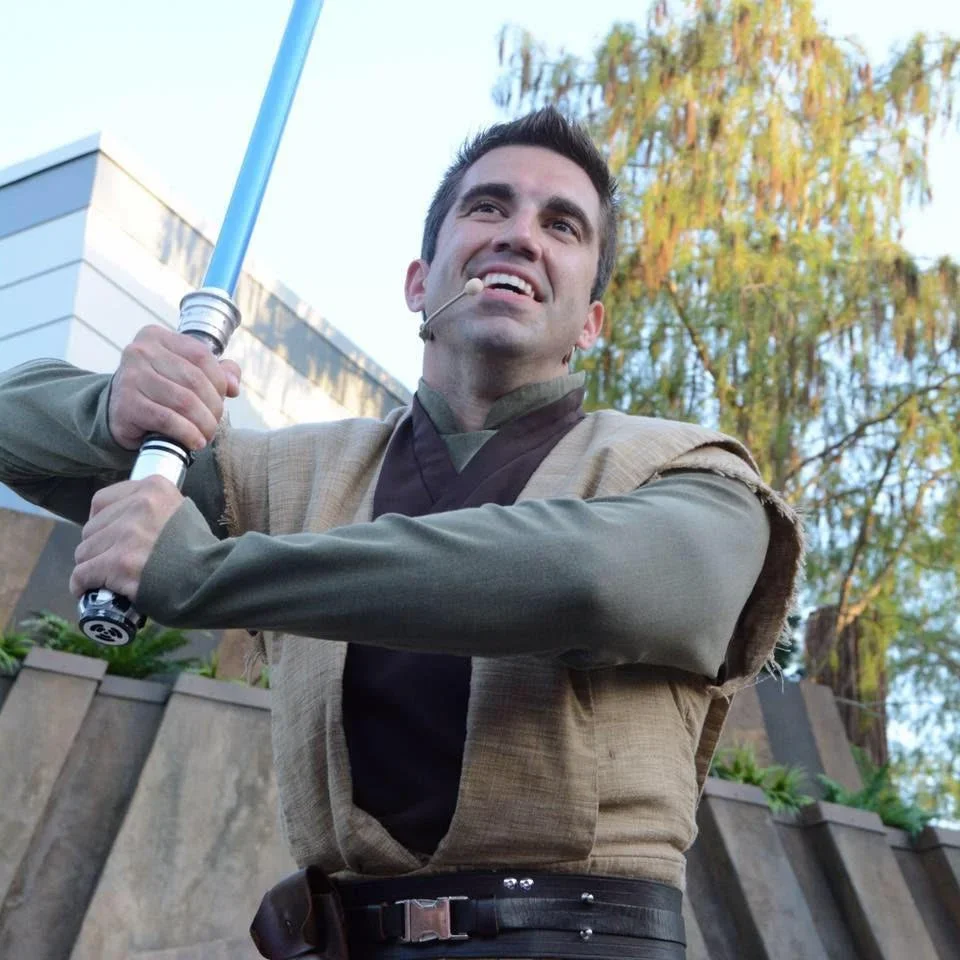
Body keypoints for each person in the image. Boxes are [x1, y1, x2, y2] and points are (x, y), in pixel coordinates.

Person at [0, 108, 802, 959]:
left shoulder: (695, 479)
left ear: (591, 325)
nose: (520, 236)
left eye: (562, 225)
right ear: (419, 283)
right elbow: (16, 431)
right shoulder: (289, 476)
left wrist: (210, 574)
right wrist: (113, 408)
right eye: (488, 207)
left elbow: (589, 582)